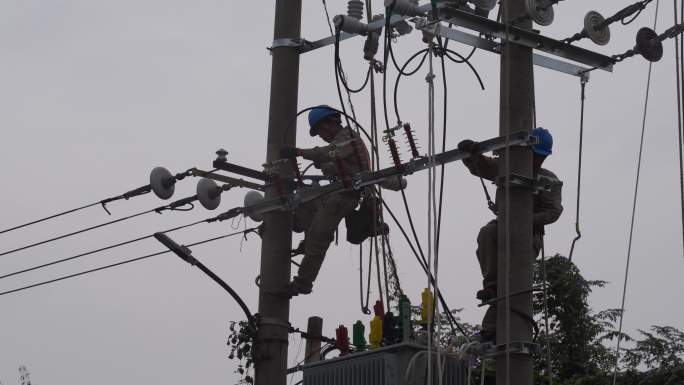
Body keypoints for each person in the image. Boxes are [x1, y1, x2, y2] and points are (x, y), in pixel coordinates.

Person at [458, 127, 563, 342]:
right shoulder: (506, 168)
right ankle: (491, 286)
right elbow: (483, 167)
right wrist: (471, 155)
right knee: (487, 233)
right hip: (502, 228)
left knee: (512, 281)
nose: (538, 160)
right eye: (536, 155)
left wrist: (523, 220)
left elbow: (553, 212)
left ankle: (490, 330)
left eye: (541, 157)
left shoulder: (549, 180)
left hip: (528, 236)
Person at [279, 105, 371, 296]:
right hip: (332, 193)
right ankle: (288, 228)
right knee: (301, 204)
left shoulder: (348, 137)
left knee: (318, 237)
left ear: (331, 123)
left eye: (320, 130)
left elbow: (330, 152)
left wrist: (299, 152)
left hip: (343, 197)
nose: (321, 136)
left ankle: (303, 283)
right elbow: (332, 162)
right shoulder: (341, 142)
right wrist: (326, 165)